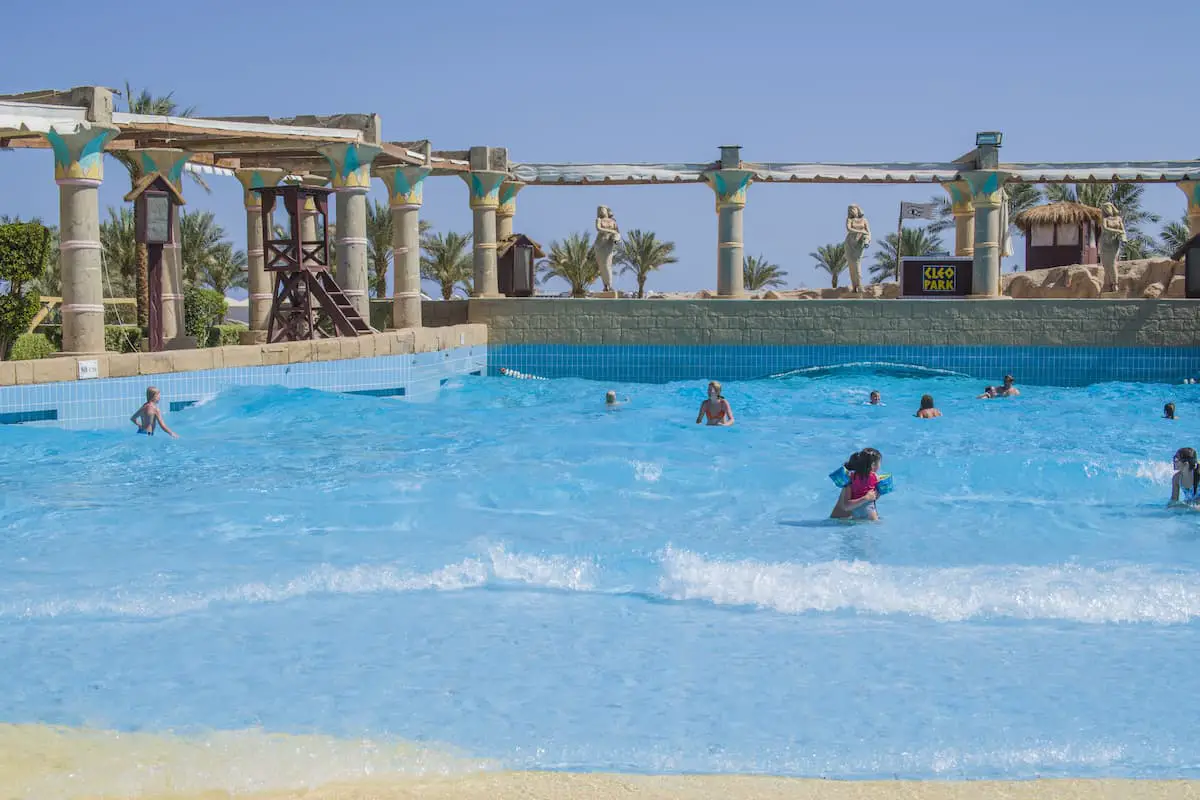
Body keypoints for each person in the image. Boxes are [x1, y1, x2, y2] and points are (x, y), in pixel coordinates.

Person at [831, 448, 882, 521]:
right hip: (842, 520)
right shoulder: (849, 481)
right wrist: (866, 498)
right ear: (872, 465)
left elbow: (871, 499)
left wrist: (876, 494)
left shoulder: (853, 479)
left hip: (847, 519)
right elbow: (846, 506)